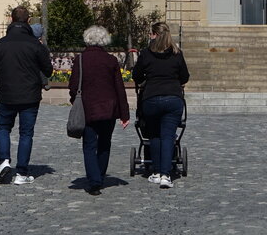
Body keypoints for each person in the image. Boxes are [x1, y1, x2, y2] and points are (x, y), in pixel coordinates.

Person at [0, 6, 52, 185]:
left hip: (8, 93)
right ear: (28, 21)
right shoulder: (34, 44)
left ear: (11, 20)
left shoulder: (1, 43)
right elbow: (48, 70)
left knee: (3, 128)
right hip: (30, 95)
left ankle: (4, 162)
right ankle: (21, 173)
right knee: (26, 133)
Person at [68, 25, 129, 195]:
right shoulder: (110, 60)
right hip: (108, 108)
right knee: (104, 143)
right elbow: (119, 88)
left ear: (87, 39)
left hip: (87, 108)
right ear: (104, 40)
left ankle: (94, 181)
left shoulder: (80, 60)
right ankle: (100, 176)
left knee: (89, 145)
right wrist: (124, 114)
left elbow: (73, 86)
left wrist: (75, 101)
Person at [132, 21, 189, 189]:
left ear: (155, 34)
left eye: (151, 33)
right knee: (168, 136)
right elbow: (185, 76)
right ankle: (166, 174)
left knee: (154, 135)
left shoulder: (146, 53)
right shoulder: (177, 54)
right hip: (173, 98)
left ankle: (156, 172)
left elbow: (136, 75)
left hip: (151, 98)